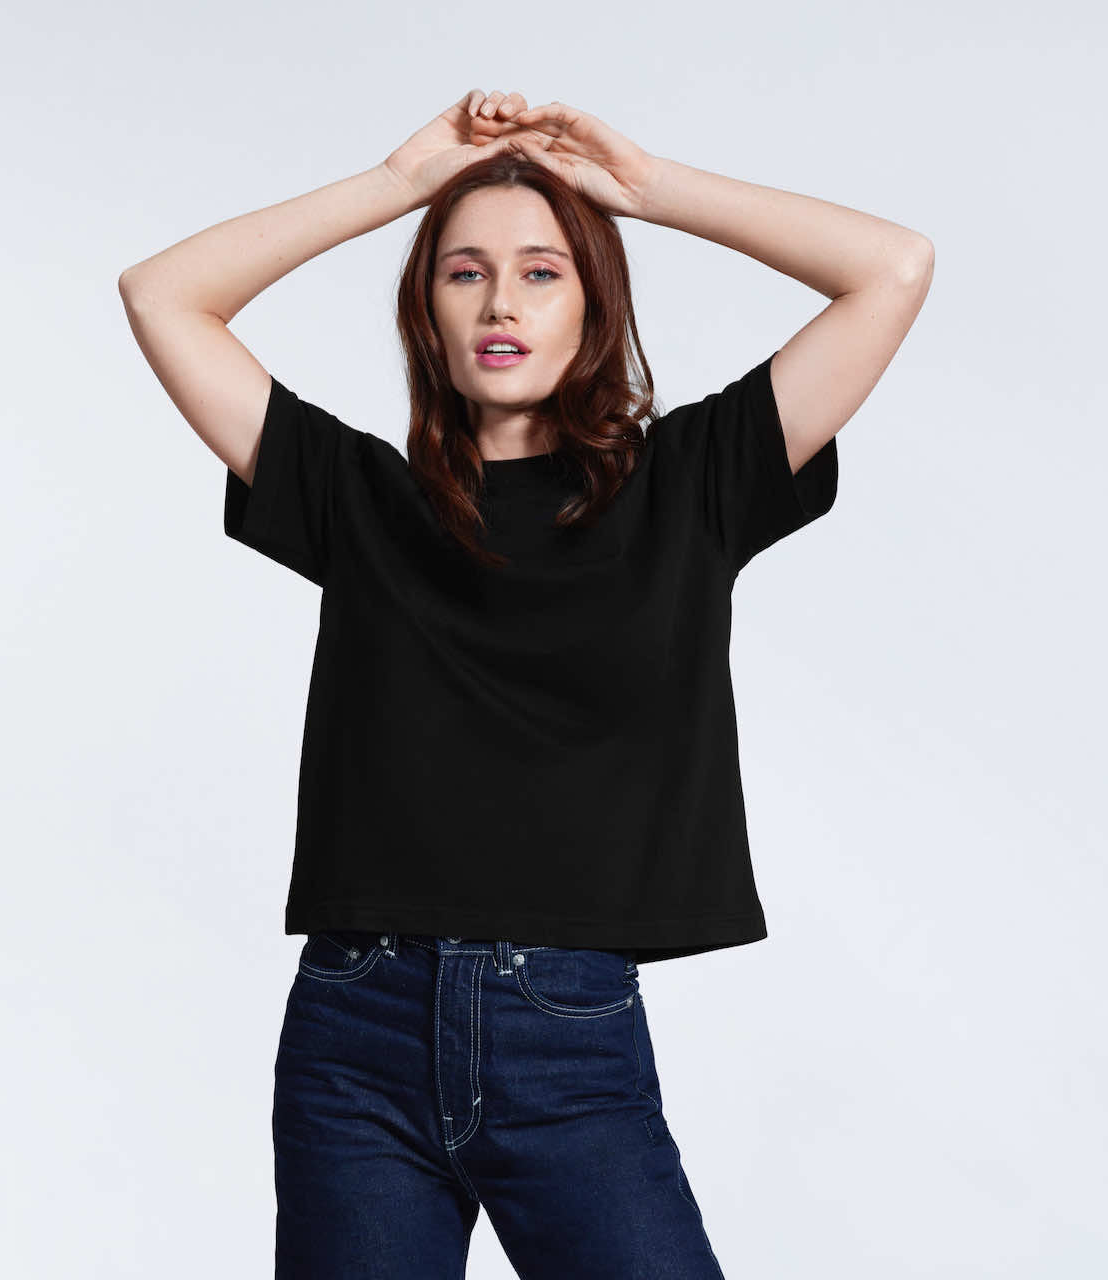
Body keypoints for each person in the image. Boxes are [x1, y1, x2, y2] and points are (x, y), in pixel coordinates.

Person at [118, 87, 933, 1279]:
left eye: (542, 273)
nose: (500, 302)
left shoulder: (691, 484)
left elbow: (891, 269)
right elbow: (161, 294)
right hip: (356, 1032)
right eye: (465, 273)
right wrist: (397, 186)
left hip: (566, 1036)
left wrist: (646, 189)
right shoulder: (359, 498)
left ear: (593, 306)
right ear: (426, 312)